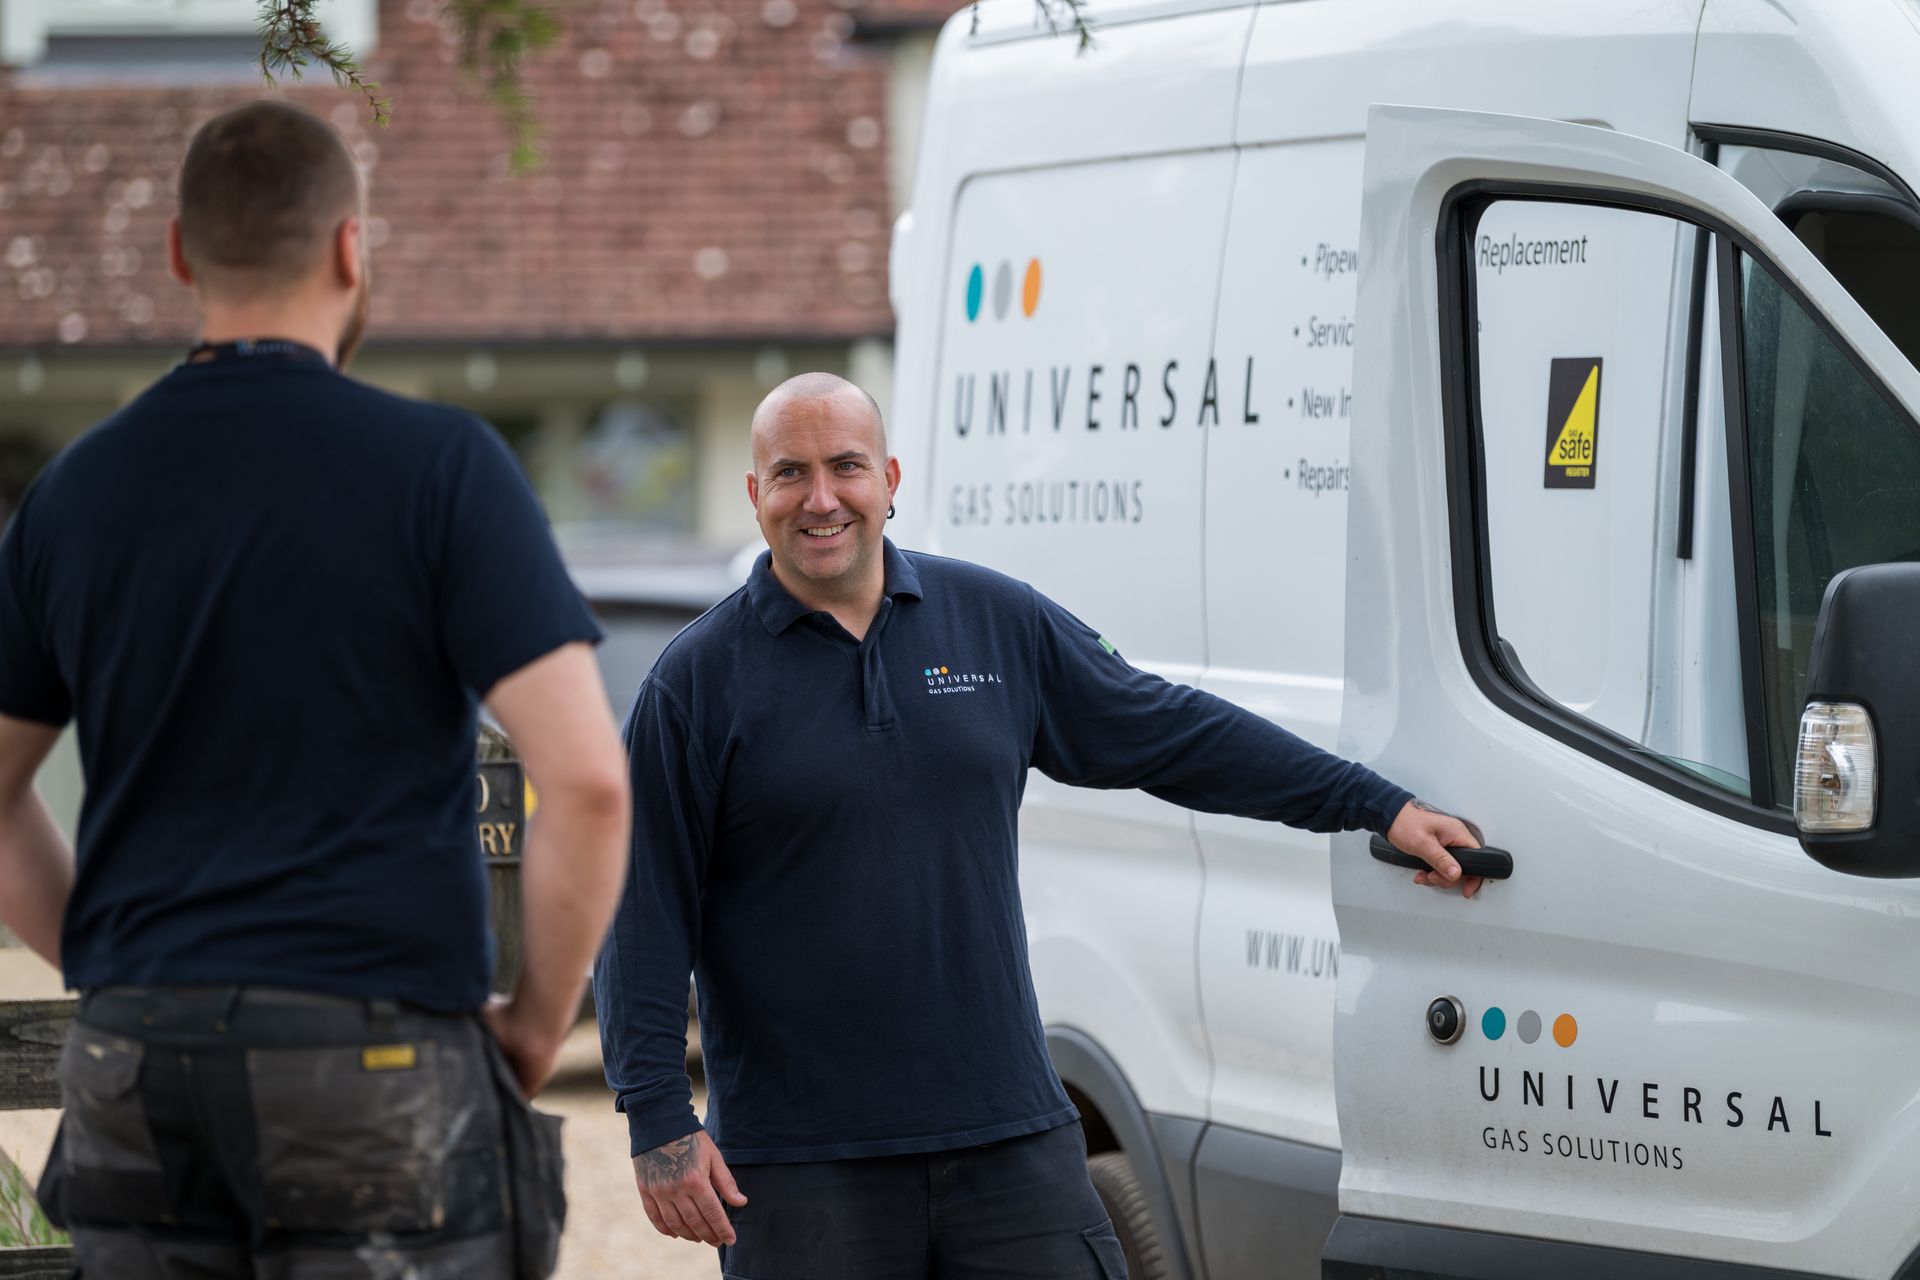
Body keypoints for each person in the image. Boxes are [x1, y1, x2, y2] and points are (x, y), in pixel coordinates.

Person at [596, 371, 1482, 1278]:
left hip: (1008, 1143)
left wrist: (1375, 804)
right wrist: (659, 1119)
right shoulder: (696, 683)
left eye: (846, 467)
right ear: (755, 495)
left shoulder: (992, 623)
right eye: (790, 474)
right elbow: (642, 911)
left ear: (891, 479)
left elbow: (1171, 732)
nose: (821, 498)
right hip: (800, 1167)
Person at [0, 100, 631, 1278]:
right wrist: (537, 1024)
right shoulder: (442, 470)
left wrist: (111, 961)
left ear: (183, 254)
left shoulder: (72, 496)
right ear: (351, 248)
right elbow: (589, 780)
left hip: (139, 1058)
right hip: (373, 1056)